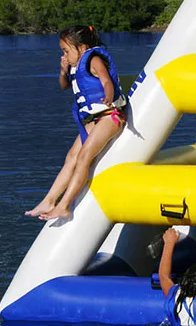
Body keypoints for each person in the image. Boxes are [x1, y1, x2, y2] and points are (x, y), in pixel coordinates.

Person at [25, 25, 126, 220]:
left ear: (81, 47)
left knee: (84, 157)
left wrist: (108, 96)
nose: (64, 54)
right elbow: (64, 86)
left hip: (110, 116)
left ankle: (65, 205)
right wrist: (63, 71)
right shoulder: (75, 65)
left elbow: (106, 81)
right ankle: (49, 200)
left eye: (66, 51)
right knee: (71, 156)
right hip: (95, 119)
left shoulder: (94, 59)